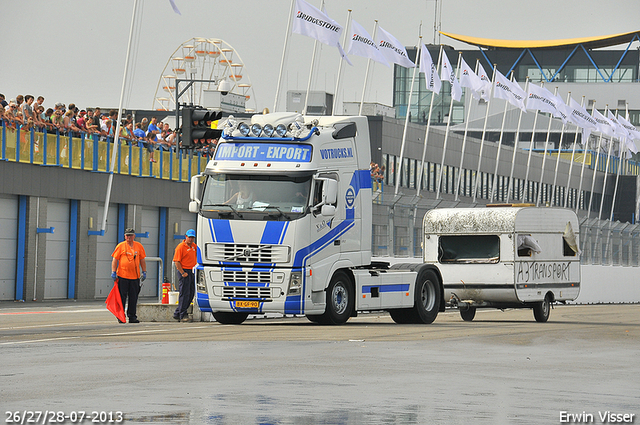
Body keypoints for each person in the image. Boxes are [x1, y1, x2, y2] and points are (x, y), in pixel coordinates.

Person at [111, 227, 147, 323]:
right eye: (127, 235)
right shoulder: (120, 246)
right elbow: (115, 259)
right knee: (121, 298)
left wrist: (144, 271)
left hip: (135, 277)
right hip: (122, 276)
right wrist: (113, 272)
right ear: (124, 236)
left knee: (133, 297)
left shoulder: (138, 246)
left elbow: (142, 259)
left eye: (131, 235)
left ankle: (132, 316)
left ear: (134, 236)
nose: (129, 237)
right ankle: (120, 316)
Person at [172, 229, 197, 322]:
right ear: (185, 236)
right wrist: (182, 272)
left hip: (192, 271)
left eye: (192, 237)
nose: (190, 239)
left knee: (191, 293)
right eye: (189, 237)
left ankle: (177, 313)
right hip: (184, 271)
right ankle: (183, 314)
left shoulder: (194, 246)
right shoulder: (180, 247)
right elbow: (177, 261)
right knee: (184, 293)